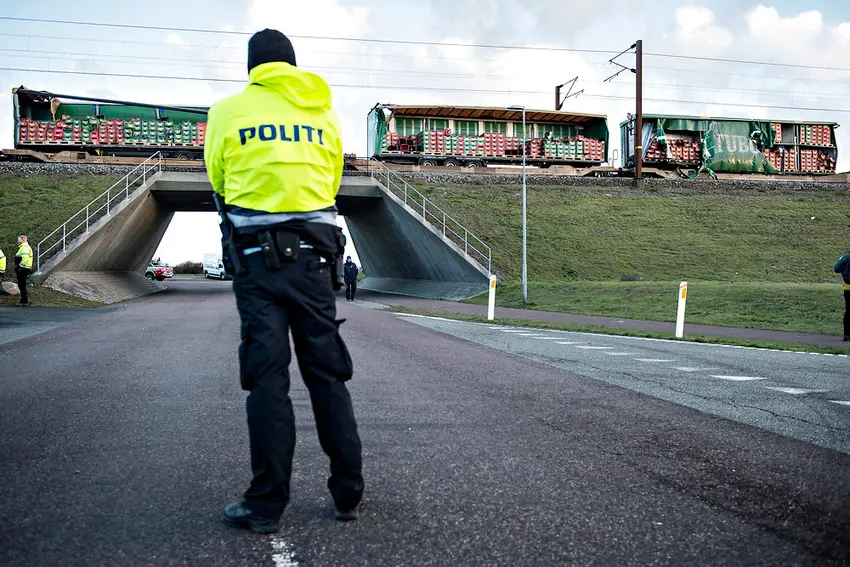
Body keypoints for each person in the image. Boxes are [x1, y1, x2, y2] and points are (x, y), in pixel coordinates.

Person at [204, 28, 363, 534]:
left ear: (252, 68)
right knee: (327, 375)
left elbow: (218, 179)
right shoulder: (323, 111)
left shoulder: (227, 111)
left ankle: (266, 505)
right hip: (315, 260)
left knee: (267, 379)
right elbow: (331, 180)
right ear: (292, 65)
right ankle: (348, 493)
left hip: (257, 263)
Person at [835, 252, 850, 341]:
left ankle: (846, 334)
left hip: (847, 288)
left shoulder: (846, 258)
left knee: (848, 311)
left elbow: (836, 269)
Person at [14, 236, 33, 306]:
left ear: (22, 240)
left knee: (22, 284)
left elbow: (25, 258)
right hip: (24, 268)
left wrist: (20, 266)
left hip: (24, 269)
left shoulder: (25, 247)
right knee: (21, 284)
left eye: (18, 240)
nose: (17, 241)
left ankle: (24, 301)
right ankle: (23, 300)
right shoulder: (23, 247)